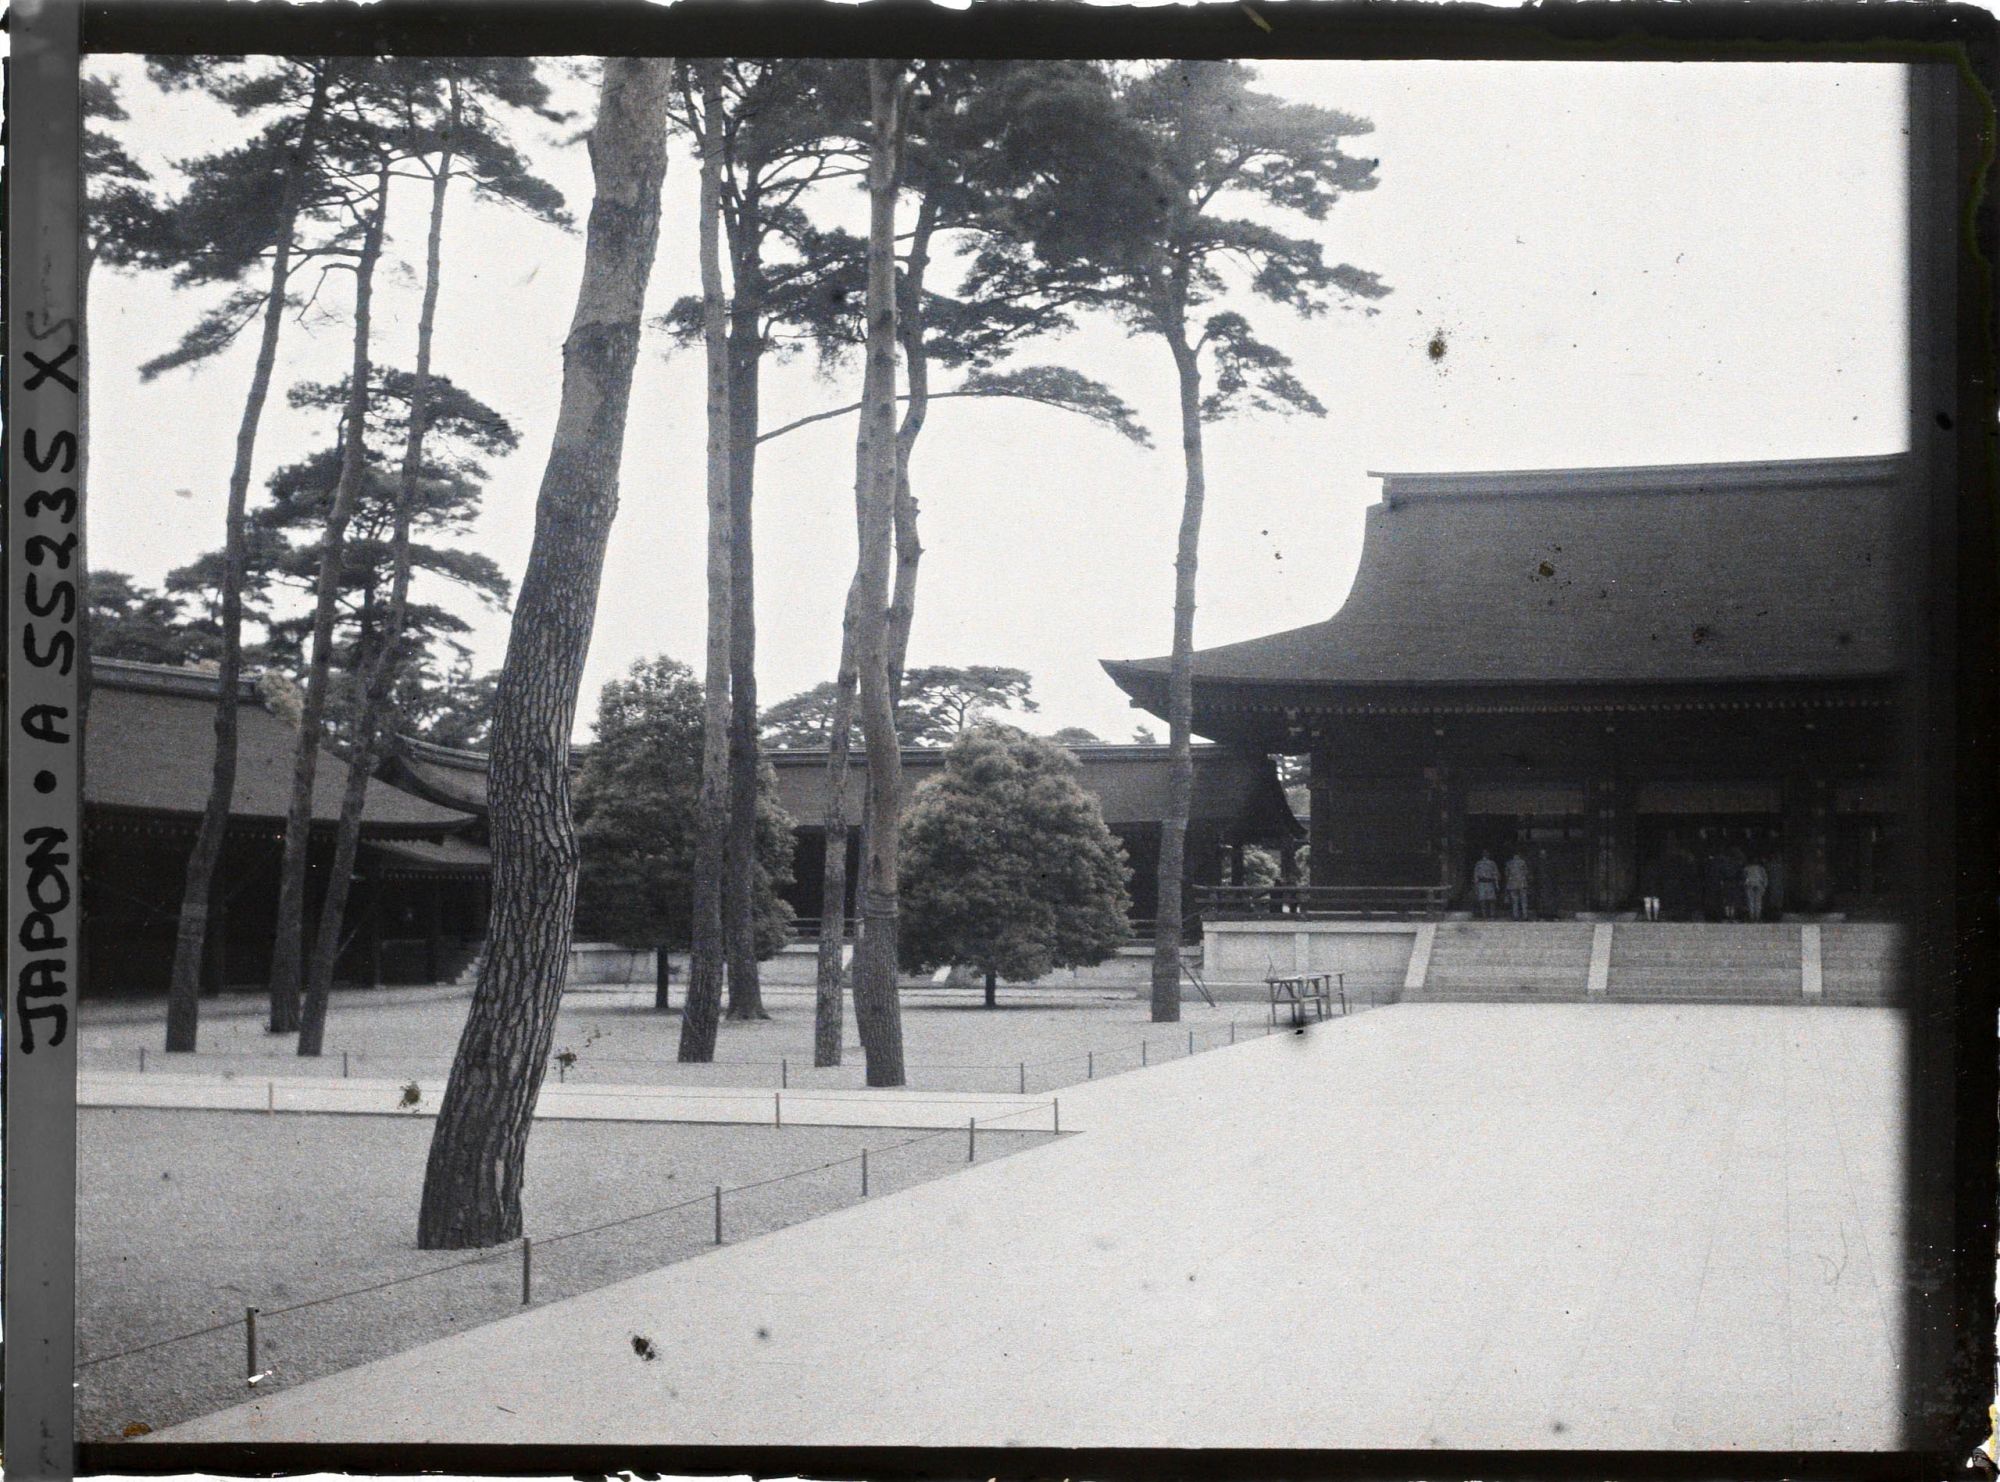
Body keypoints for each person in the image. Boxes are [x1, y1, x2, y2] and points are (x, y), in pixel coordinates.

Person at [1472, 850, 1500, 919]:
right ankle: (1485, 915)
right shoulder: (1479, 863)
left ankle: (1491, 915)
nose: (1486, 855)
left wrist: (1496, 884)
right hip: (1482, 882)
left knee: (1491, 900)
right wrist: (1476, 885)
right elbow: (1476, 874)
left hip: (1489, 882)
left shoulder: (1492, 863)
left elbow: (1495, 874)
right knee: (1483, 900)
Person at [1505, 849, 1531, 920]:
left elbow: (1506, 874)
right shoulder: (1523, 862)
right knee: (1524, 900)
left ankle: (1515, 915)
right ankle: (1525, 915)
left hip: (1512, 883)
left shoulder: (1509, 863)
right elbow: (1526, 872)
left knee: (1514, 901)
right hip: (1522, 883)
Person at [1743, 856, 1769, 922]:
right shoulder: (1761, 869)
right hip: (1759, 884)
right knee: (1758, 901)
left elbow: (1744, 876)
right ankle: (1757, 917)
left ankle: (1751, 917)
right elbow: (1765, 878)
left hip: (1750, 884)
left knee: (1751, 901)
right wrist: (1764, 886)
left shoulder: (1747, 868)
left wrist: (1745, 884)